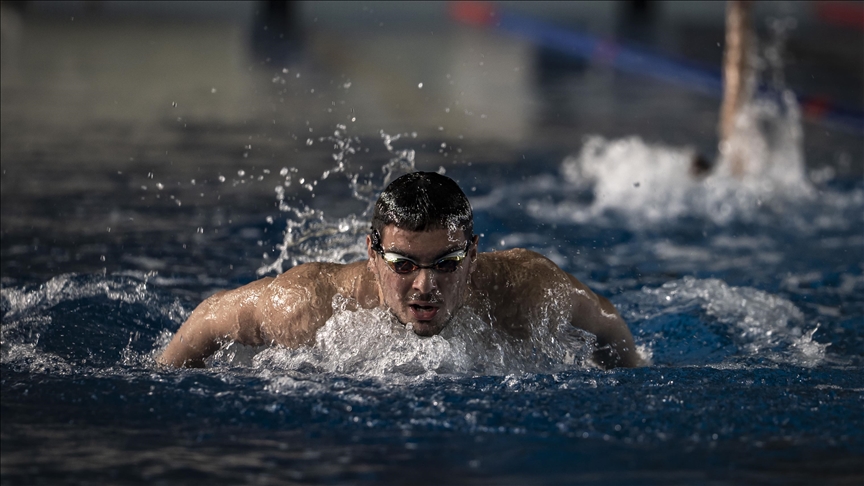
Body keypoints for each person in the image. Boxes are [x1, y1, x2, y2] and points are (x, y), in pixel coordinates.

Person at [158, 172, 641, 369]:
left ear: (473, 255)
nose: (425, 286)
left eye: (447, 264)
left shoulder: (528, 292)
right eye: (404, 264)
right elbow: (207, 317)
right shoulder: (309, 305)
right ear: (372, 253)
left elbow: (608, 323)